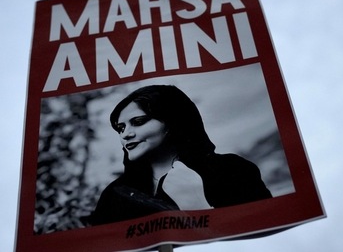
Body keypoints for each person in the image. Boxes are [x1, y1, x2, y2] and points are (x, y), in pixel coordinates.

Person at [88, 85, 272, 226]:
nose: (125, 134)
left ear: (173, 121)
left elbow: (263, 233)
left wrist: (198, 206)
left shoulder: (233, 170)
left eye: (138, 122)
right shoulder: (116, 194)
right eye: (121, 128)